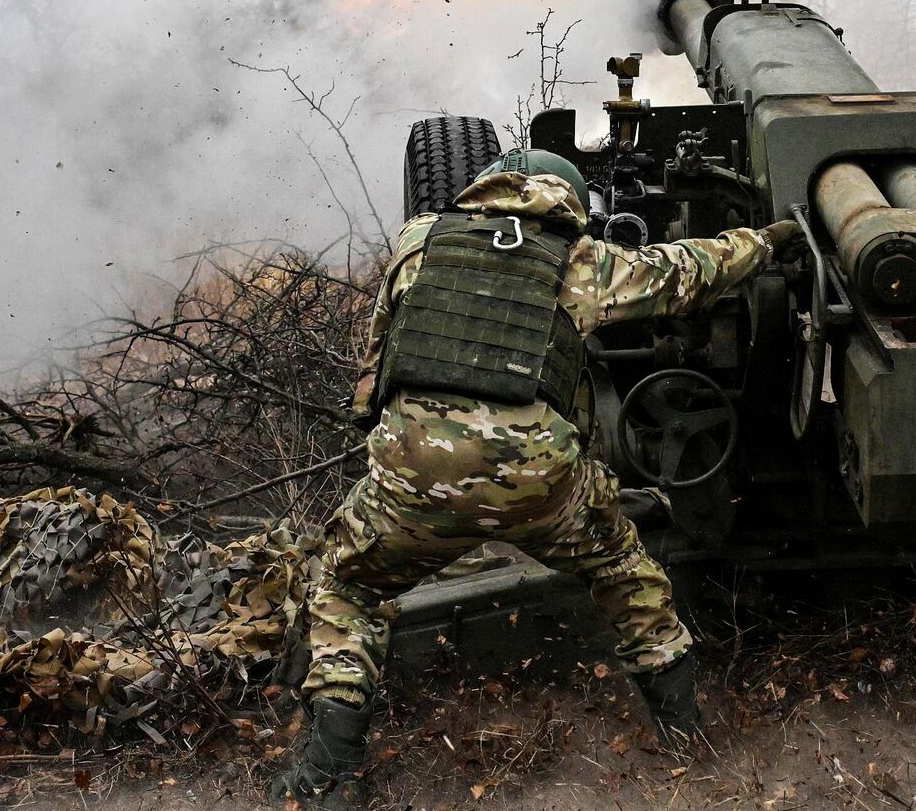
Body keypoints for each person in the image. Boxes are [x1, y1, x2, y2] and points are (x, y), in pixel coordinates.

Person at [273, 149, 803, 808]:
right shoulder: (580, 261)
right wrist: (768, 240)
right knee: (625, 573)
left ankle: (329, 775)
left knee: (345, 588)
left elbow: (374, 373)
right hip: (538, 485)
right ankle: (687, 742)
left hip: (412, 476)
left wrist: (401, 465)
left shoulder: (419, 241)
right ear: (569, 200)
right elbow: (686, 272)